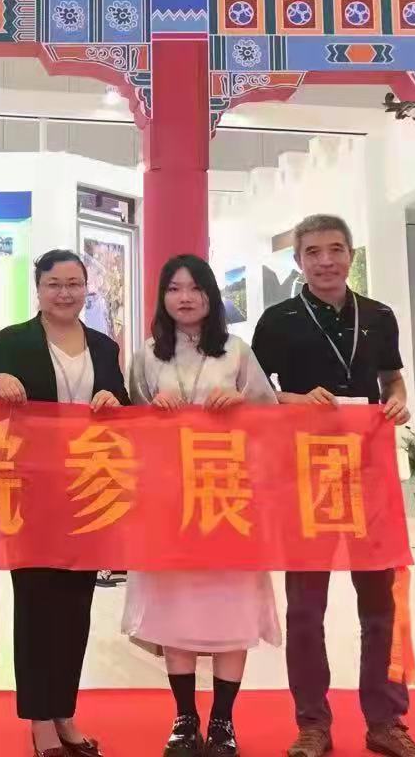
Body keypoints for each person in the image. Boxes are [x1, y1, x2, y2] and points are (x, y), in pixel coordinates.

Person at [250, 215, 415, 757]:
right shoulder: (278, 320)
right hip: (305, 472)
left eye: (335, 250)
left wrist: (398, 401)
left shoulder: (378, 316)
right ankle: (312, 724)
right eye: (313, 252)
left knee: (379, 603)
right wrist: (295, 400)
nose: (325, 261)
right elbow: (254, 393)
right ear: (298, 261)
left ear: (351, 254)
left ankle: (386, 721)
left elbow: (392, 378)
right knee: (306, 608)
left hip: (369, 471)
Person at [125, 254, 281, 757]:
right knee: (178, 610)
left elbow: (271, 418)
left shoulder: (237, 351)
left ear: (212, 296)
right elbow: (128, 426)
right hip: (169, 501)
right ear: (162, 298)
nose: (185, 298)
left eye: (195, 288)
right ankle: (184, 717)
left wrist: (241, 403)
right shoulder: (147, 356)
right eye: (174, 288)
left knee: (230, 608)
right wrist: (151, 410)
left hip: (228, 499)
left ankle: (223, 722)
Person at [0, 249, 127, 757]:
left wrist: (114, 402)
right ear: (39, 288)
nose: (64, 293)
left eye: (73, 284)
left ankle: (64, 711)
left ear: (86, 288)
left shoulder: (105, 347)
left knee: (76, 607)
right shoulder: (13, 340)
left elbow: (124, 409)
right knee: (36, 605)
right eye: (54, 284)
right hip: (31, 492)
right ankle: (39, 720)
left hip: (88, 490)